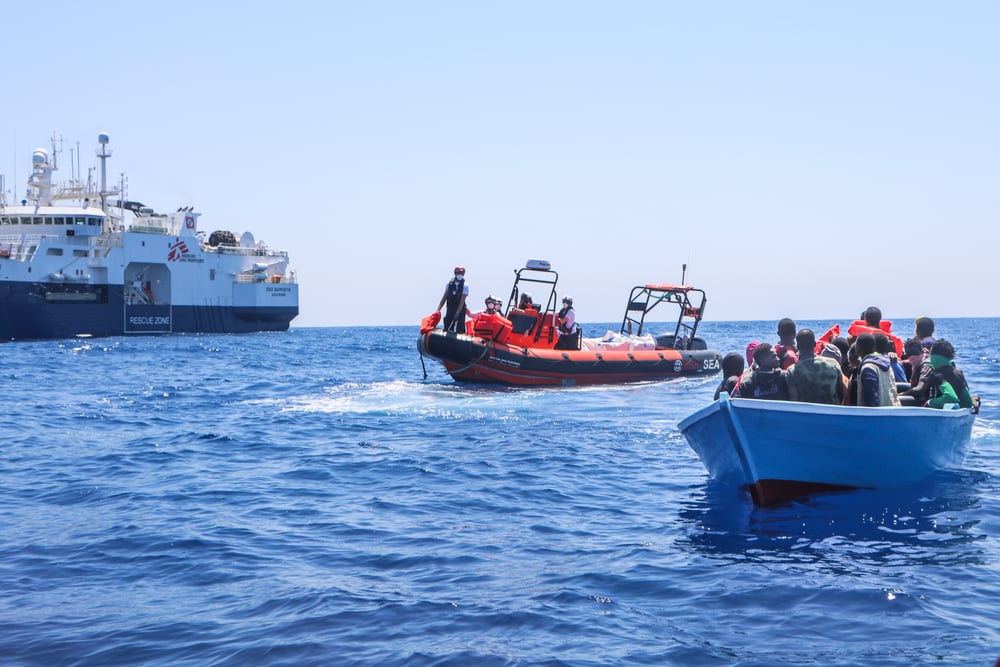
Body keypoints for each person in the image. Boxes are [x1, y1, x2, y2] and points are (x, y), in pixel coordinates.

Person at [786, 329, 845, 404]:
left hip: (807, 414)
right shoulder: (833, 363)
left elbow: (794, 401)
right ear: (814, 344)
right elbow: (841, 393)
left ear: (798, 346)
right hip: (831, 413)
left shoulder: (792, 371)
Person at [924, 339, 974, 409]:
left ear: (934, 356)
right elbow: (968, 402)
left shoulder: (937, 375)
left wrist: (930, 402)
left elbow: (951, 397)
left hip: (937, 414)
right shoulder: (958, 373)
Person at [855, 333, 901, 407]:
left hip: (878, 415)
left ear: (858, 349)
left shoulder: (868, 368)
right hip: (893, 410)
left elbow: (870, 398)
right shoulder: (887, 364)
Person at [437, 266, 469, 332]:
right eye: (458, 273)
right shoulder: (449, 285)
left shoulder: (465, 286)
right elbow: (444, 298)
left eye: (461, 273)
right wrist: (438, 309)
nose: (460, 275)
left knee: (460, 327)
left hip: (460, 308)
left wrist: (457, 313)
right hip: (451, 307)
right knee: (448, 325)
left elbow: (462, 301)